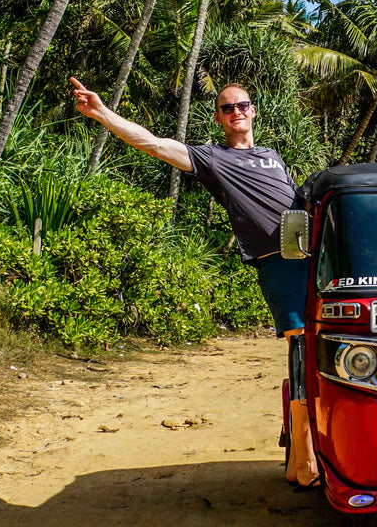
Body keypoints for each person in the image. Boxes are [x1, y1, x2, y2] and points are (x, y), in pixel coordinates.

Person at [69, 77, 319, 486]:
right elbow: (152, 143)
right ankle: (306, 463)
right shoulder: (213, 158)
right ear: (219, 118)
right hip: (281, 262)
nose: (236, 111)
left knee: (328, 348)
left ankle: (300, 459)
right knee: (302, 351)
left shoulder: (272, 155)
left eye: (243, 105)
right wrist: (101, 113)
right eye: (227, 108)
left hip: (312, 258)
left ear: (253, 110)